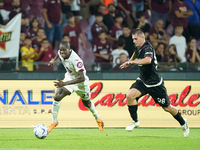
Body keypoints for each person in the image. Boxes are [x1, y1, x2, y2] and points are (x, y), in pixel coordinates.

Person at [119, 28, 189, 137]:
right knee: (130, 96)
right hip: (143, 80)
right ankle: (135, 121)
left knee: (167, 108)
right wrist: (130, 61)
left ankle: (183, 122)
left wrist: (133, 61)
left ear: (143, 38)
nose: (134, 41)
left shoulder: (148, 48)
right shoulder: (137, 46)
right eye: (133, 39)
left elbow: (148, 60)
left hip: (155, 83)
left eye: (136, 39)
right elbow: (135, 53)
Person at [47, 41, 104, 133]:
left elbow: (81, 77)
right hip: (69, 78)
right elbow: (58, 54)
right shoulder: (61, 53)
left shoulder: (76, 60)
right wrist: (53, 60)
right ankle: (54, 122)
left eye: (64, 50)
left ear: (69, 50)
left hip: (81, 83)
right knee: (57, 96)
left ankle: (98, 118)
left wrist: (65, 84)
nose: (62, 52)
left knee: (87, 103)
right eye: (60, 50)